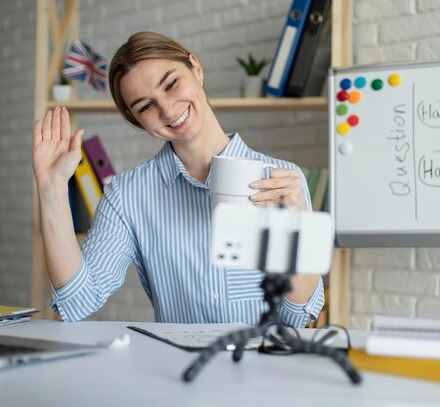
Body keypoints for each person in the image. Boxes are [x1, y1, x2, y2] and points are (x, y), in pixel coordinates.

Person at [32, 31, 324, 327]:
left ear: (196, 69)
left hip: (266, 366)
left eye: (171, 84)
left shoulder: (282, 180)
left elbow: (299, 316)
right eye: (145, 106)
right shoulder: (128, 195)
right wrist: (51, 188)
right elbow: (76, 302)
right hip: (177, 370)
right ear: (138, 122)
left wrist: (299, 228)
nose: (168, 109)